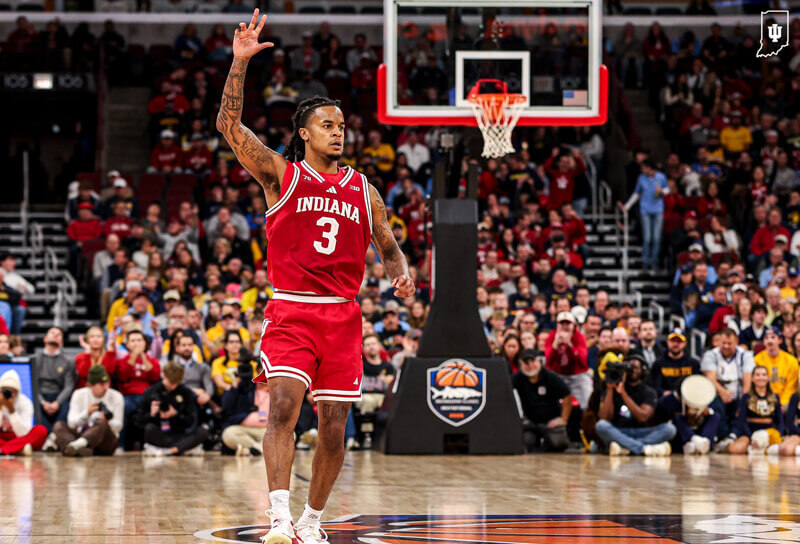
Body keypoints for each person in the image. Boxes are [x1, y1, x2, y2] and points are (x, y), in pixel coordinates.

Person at [215, 11, 415, 543]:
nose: (338, 133)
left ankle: (312, 520)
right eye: (328, 125)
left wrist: (401, 274)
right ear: (303, 133)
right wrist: (239, 64)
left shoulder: (363, 188)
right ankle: (278, 519)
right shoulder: (281, 173)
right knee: (282, 407)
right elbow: (229, 127)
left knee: (333, 428)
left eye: (342, 126)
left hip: (344, 316)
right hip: (291, 308)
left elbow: (389, 247)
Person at [595, 354, 676, 456]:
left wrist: (623, 393)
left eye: (636, 367)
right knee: (601, 425)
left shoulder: (649, 392)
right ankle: (642, 448)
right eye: (630, 368)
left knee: (669, 429)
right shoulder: (614, 388)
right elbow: (604, 417)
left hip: (643, 431)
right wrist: (610, 389)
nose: (633, 370)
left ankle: (625, 447)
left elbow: (642, 417)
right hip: (619, 431)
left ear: (643, 370)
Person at [133, 361, 207, 456]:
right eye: (171, 382)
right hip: (161, 435)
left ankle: (171, 450)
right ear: (163, 376)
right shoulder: (151, 392)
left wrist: (176, 414)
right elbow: (138, 421)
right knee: (149, 429)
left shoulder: (186, 393)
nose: (173, 386)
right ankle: (182, 448)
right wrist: (151, 415)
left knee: (203, 431)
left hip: (180, 434)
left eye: (176, 383)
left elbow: (191, 420)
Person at [53, 366, 123, 456]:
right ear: (90, 385)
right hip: (81, 434)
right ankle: (79, 449)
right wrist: (86, 413)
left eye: (107, 383)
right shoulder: (78, 394)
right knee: (59, 425)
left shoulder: (116, 396)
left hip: (105, 442)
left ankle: (76, 447)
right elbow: (71, 422)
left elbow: (119, 425)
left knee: (101, 423)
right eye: (102, 384)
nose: (106, 387)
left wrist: (107, 420)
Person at [512, 349, 572, 452]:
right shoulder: (516, 378)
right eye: (526, 362)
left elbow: (567, 396)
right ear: (521, 364)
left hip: (551, 422)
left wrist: (563, 419)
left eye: (533, 361)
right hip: (529, 423)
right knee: (525, 443)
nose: (530, 365)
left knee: (559, 443)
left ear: (539, 361)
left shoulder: (551, 376)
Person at [726, 365, 783, 454]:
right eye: (757, 375)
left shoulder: (775, 397)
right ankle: (727, 444)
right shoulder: (746, 397)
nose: (761, 377)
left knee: (779, 450)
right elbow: (742, 421)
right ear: (752, 378)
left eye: (764, 375)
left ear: (768, 378)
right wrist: (751, 437)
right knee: (736, 449)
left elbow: (780, 421)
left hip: (768, 432)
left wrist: (777, 434)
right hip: (750, 432)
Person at [544, 311, 591, 410]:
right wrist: (555, 346)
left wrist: (570, 346)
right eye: (562, 323)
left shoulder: (579, 337)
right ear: (557, 325)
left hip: (577, 376)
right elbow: (548, 361)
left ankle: (588, 419)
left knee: (589, 402)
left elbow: (582, 361)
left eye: (568, 323)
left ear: (573, 326)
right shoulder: (552, 336)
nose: (565, 326)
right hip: (558, 375)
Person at [221, 361, 270, 456]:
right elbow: (226, 405)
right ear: (257, 370)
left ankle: (249, 450)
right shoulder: (247, 387)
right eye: (262, 368)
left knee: (291, 435)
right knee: (228, 433)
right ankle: (259, 448)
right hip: (244, 429)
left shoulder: (279, 390)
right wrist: (237, 382)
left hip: (268, 431)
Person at [34, 327, 75, 433]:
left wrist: (57, 402)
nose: (55, 335)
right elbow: (33, 384)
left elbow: (69, 386)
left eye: (59, 334)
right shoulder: (35, 360)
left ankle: (56, 434)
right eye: (52, 333)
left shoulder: (67, 362)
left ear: (61, 342)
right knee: (32, 404)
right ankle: (47, 434)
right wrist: (42, 402)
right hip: (40, 396)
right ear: (45, 339)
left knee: (67, 404)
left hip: (58, 396)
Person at [0, 369, 48, 456]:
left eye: (12, 391)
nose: (8, 394)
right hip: (2, 437)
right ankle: (20, 449)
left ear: (17, 392)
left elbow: (23, 433)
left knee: (41, 430)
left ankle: (4, 449)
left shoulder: (25, 402)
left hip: (19, 437)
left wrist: (12, 411)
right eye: (5, 391)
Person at [753, 327, 798, 408]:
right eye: (766, 338)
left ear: (780, 340)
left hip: (786, 403)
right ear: (763, 341)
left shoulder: (791, 361)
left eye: (773, 337)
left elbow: (791, 387)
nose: (769, 341)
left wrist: (782, 404)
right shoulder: (756, 360)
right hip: (763, 401)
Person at [650, 329, 700, 396]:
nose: (676, 344)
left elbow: (697, 386)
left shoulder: (693, 364)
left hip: (688, 397)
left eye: (679, 341)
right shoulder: (658, 363)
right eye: (673, 341)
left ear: (685, 343)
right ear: (667, 341)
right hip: (666, 399)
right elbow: (655, 387)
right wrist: (665, 393)